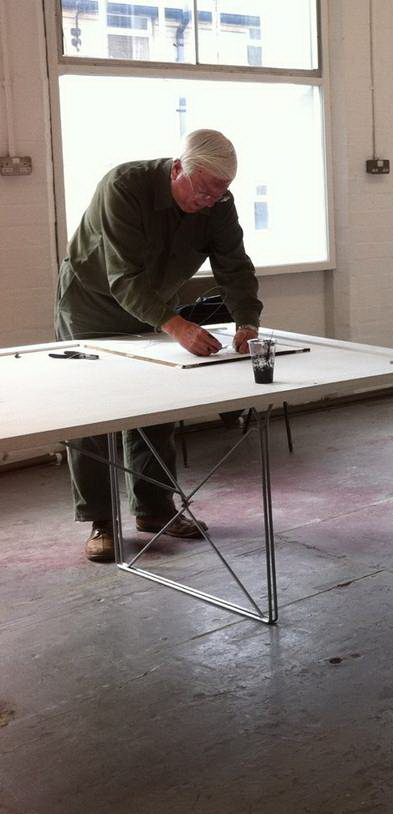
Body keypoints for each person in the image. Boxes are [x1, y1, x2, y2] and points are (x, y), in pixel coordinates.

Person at [54, 129, 263, 563]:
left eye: (219, 193)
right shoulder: (123, 187)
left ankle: (155, 510)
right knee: (91, 413)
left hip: (154, 304)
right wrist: (176, 326)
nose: (209, 201)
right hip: (93, 306)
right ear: (177, 169)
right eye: (202, 191)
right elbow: (124, 278)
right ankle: (101, 521)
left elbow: (234, 266)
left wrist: (247, 320)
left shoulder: (218, 202)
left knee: (155, 408)